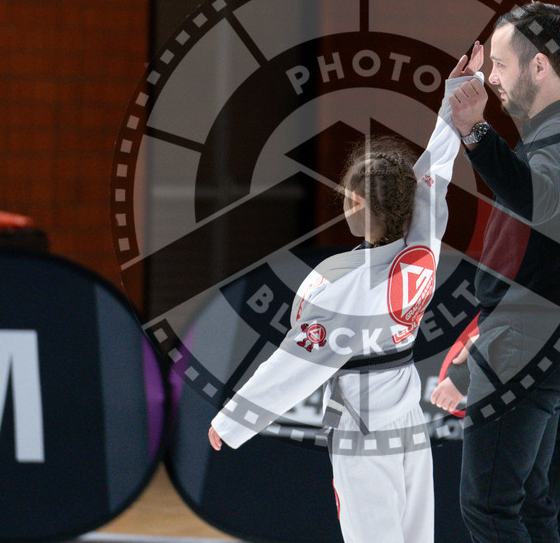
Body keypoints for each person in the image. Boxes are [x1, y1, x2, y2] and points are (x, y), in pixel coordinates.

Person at [207, 46, 485, 543]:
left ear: (356, 203)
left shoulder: (341, 287)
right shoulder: (423, 245)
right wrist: (450, 103)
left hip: (362, 425)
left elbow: (293, 366)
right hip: (407, 417)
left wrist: (234, 419)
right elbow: (434, 176)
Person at [430, 2, 560, 542]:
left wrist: (475, 130)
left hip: (531, 341)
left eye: (501, 67)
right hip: (540, 336)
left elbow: (533, 198)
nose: (491, 79)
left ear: (540, 66)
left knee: (491, 509)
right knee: (533, 508)